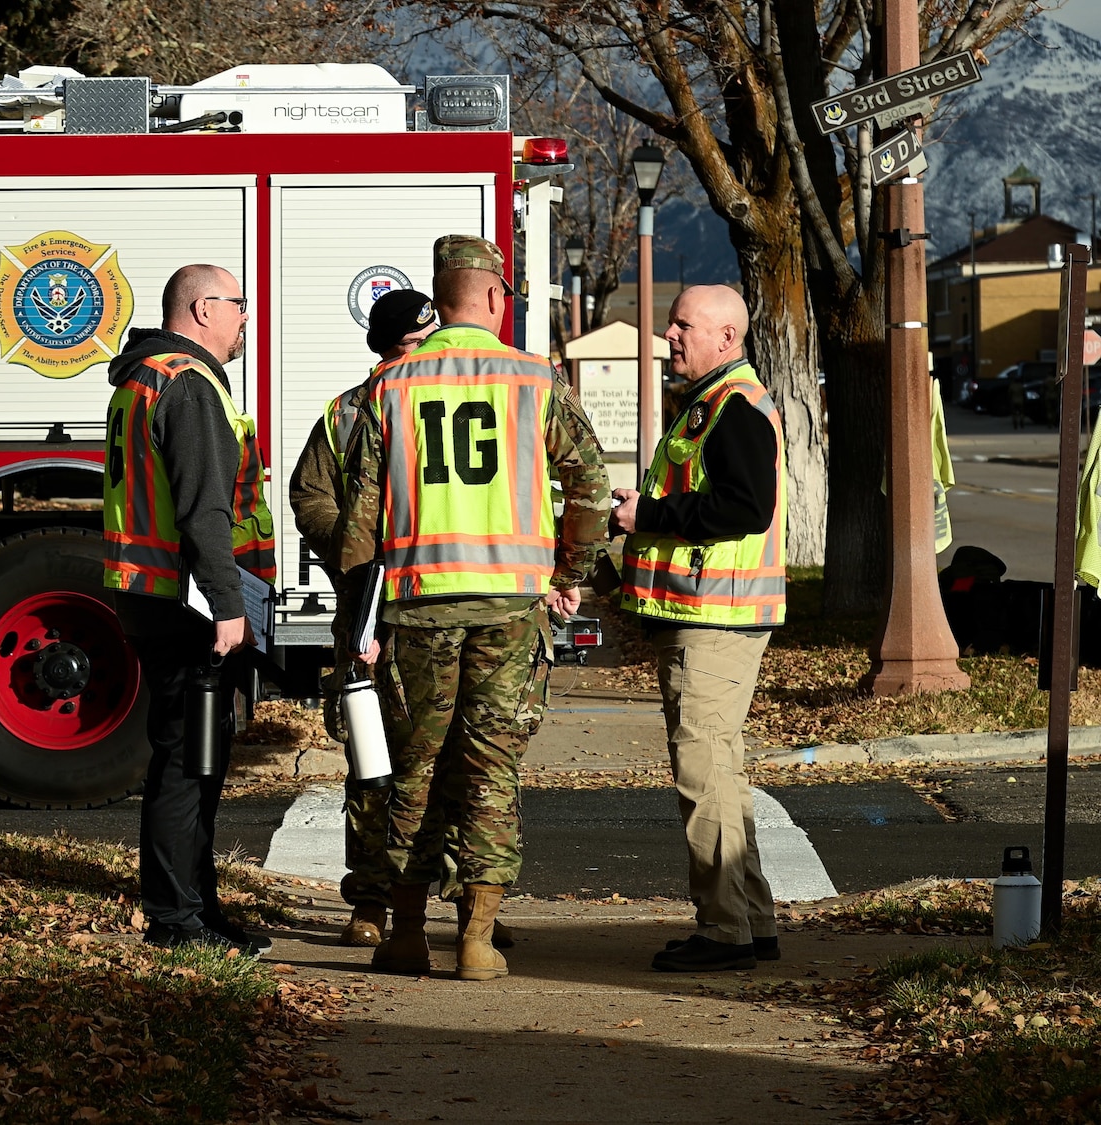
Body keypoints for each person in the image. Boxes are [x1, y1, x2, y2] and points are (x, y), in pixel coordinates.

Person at [334, 235, 609, 979]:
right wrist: (570, 570)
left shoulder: (391, 385)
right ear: (492, 298)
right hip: (509, 611)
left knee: (412, 770)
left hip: (416, 611)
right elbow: (590, 485)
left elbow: (357, 519)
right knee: (489, 771)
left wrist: (357, 620)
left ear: (441, 295)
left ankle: (406, 933)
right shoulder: (534, 379)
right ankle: (479, 940)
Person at [102, 263, 276, 955]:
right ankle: (179, 921)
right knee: (190, 763)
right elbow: (204, 506)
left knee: (191, 755)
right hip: (188, 602)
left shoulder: (142, 377)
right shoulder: (190, 382)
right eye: (238, 305)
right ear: (203, 308)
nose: (245, 319)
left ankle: (197, 910)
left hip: (149, 593)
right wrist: (229, 605)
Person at [612, 284, 786, 973]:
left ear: (727, 337)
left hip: (717, 616)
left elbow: (745, 506)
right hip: (713, 614)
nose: (671, 334)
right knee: (723, 770)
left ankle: (724, 931)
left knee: (704, 770)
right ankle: (751, 917)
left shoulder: (735, 407)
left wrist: (648, 515)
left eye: (685, 325)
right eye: (673, 323)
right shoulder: (715, 404)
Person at [287, 288, 438, 947]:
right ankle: (373, 901)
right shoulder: (347, 414)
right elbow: (308, 494)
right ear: (390, 346)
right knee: (374, 764)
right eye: (417, 342)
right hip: (371, 610)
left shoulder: (447, 402)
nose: (430, 352)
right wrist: (357, 547)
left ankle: (467, 903)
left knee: (449, 760)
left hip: (440, 607)